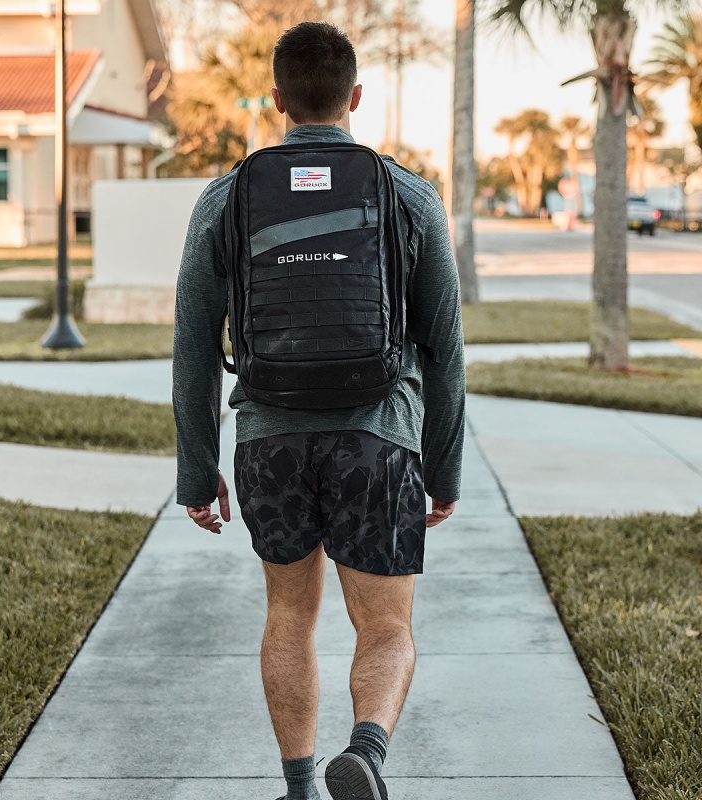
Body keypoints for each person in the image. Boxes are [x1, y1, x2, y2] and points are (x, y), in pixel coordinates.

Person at [172, 21, 465, 800]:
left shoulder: (226, 196)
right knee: (388, 626)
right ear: (355, 97)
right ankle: (366, 751)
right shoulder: (408, 194)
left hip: (270, 441)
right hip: (380, 440)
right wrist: (444, 467)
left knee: (288, 616)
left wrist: (198, 471)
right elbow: (444, 348)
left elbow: (195, 345)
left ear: (277, 100)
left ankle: (300, 788)